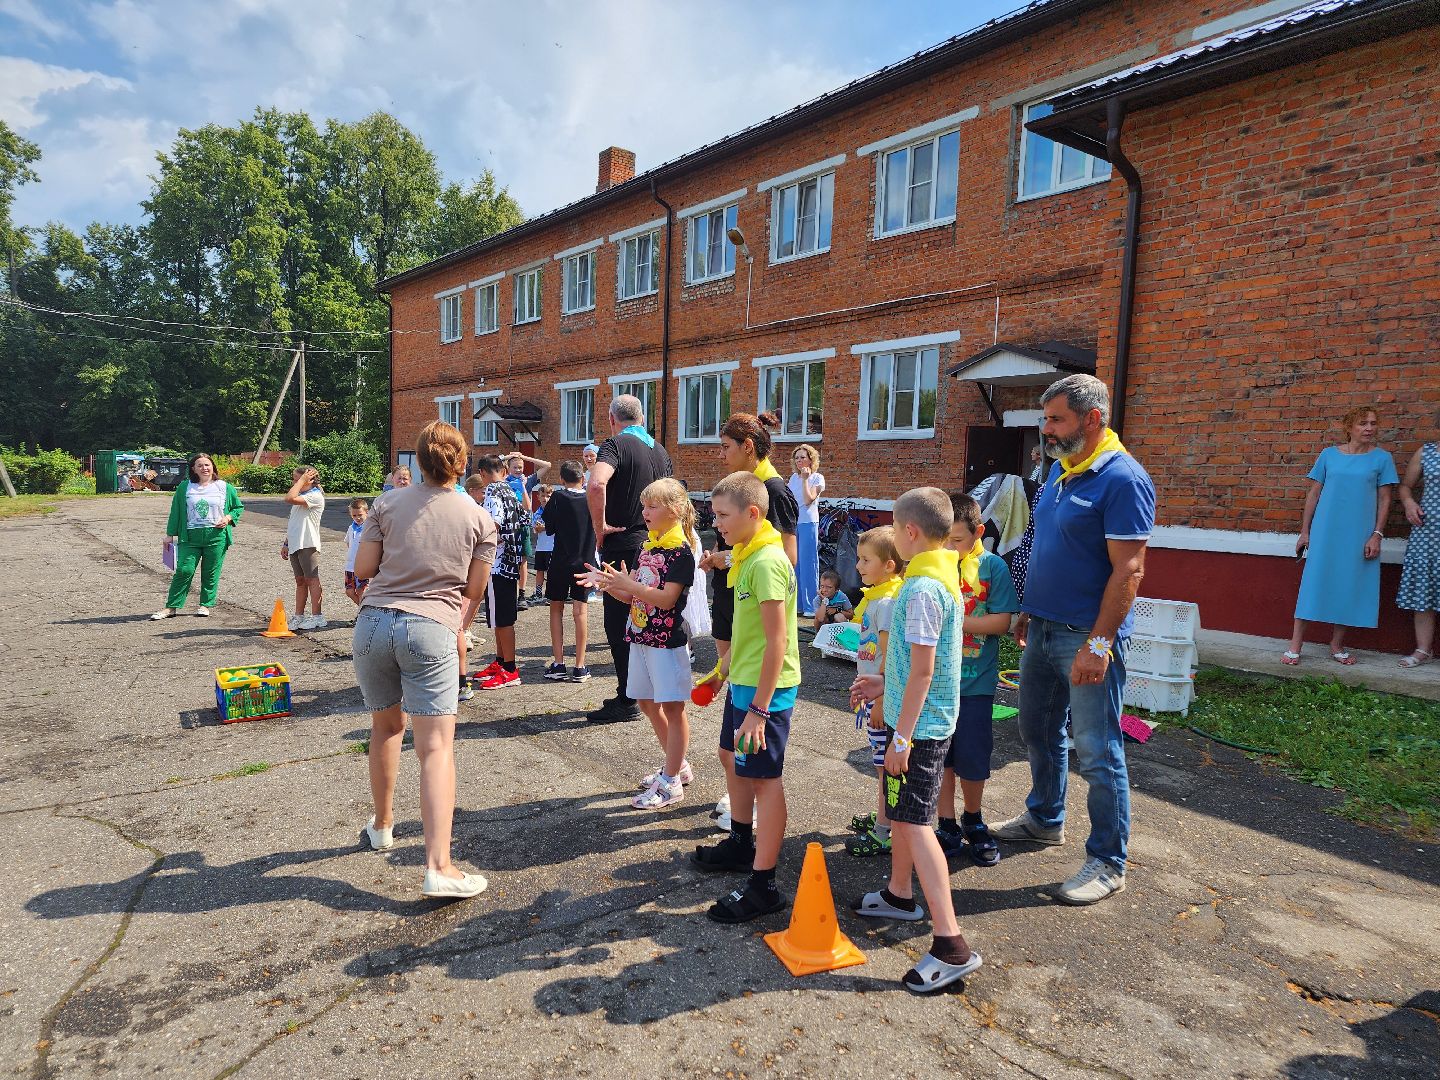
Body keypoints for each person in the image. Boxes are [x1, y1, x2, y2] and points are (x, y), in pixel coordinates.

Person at [992, 373, 1154, 907]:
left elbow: (1129, 569)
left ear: (1093, 419)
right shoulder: (1062, 471)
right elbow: (1046, 548)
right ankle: (1044, 818)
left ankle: (1109, 860)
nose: (1046, 430)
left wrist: (1101, 644)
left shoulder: (1122, 479)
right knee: (1036, 730)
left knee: (1098, 750)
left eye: (1056, 419)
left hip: (1086, 637)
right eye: (1045, 419)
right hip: (1042, 627)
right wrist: (1027, 611)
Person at [352, 420, 495, 899]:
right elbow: (474, 590)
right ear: (461, 462)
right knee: (435, 748)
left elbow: (363, 569)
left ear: (417, 461)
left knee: (386, 729)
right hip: (431, 627)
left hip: (373, 625)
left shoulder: (386, 502)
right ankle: (439, 864)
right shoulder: (479, 517)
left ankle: (383, 824)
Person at [848, 487, 982, 993]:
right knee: (903, 814)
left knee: (916, 824)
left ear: (909, 533)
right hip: (917, 718)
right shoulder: (933, 576)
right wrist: (886, 682)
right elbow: (922, 664)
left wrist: (901, 738)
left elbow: (926, 671)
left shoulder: (923, 589)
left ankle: (951, 945)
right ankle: (899, 894)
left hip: (920, 729)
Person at [691, 471, 800, 924]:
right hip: (745, 682)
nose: (715, 524)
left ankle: (764, 885)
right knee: (730, 756)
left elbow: (777, 642)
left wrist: (759, 708)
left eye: (722, 515)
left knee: (763, 780)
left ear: (753, 514)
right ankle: (740, 842)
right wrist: (720, 673)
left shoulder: (767, 562)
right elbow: (745, 632)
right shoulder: (745, 556)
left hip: (766, 693)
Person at [699, 412, 799, 828]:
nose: (720, 454)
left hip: (762, 665)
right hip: (741, 635)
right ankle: (741, 828)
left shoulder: (773, 492)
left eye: (726, 447)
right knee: (734, 751)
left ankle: (752, 829)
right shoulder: (740, 521)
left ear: (748, 448)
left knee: (757, 767)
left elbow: (788, 561)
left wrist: (723, 558)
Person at [585, 478, 698, 809]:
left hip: (667, 642)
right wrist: (608, 584)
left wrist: (628, 586)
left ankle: (671, 781)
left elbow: (665, 600)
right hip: (640, 636)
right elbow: (632, 594)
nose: (644, 512)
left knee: (674, 710)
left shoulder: (680, 553)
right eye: (644, 505)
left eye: (652, 506)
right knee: (647, 704)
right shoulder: (647, 547)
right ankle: (677, 767)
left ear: (674, 511)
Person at [936, 492, 1018, 867]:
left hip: (976, 685)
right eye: (944, 540)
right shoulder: (933, 566)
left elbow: (1002, 622)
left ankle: (973, 817)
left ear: (978, 532)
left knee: (972, 756)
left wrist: (956, 623)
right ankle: (946, 822)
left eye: (957, 540)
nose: (950, 548)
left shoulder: (993, 569)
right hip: (937, 684)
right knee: (941, 756)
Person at [1285, 406, 1398, 665]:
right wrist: (1305, 531)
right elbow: (1314, 494)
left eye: (1372, 423)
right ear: (1349, 428)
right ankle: (1295, 645)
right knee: (1313, 582)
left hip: (1359, 533)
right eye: (1363, 424)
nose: (1369, 428)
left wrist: (1377, 534)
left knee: (1350, 584)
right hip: (1325, 531)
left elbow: (1385, 498)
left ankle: (1336, 645)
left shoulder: (1382, 458)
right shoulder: (1329, 455)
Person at [586, 395, 673, 723]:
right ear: (642, 417)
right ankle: (648, 692)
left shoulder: (615, 445)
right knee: (647, 619)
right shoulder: (660, 451)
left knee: (618, 621)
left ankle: (628, 698)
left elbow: (596, 484)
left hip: (622, 545)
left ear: (612, 418)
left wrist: (600, 526)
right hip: (654, 545)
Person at [842, 526, 905, 857]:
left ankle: (885, 829)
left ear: (889, 566)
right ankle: (886, 818)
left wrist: (880, 699)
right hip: (874, 696)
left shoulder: (887, 603)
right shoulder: (877, 598)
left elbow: (890, 655)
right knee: (881, 763)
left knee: (885, 767)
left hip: (884, 700)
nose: (858, 566)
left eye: (866, 560)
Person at [151, 452, 244, 619]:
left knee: (210, 572)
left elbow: (238, 507)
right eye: (199, 465)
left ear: (213, 467)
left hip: (216, 536)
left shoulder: (224, 487)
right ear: (193, 469)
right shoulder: (184, 487)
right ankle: (171, 607)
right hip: (189, 537)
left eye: (207, 464)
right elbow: (176, 512)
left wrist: (228, 518)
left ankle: (205, 605)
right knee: (184, 570)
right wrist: (170, 534)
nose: (204, 468)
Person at [467, 456, 527, 690]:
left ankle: (510, 669)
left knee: (502, 619)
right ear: (502, 469)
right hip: (511, 560)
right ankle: (501, 662)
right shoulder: (510, 489)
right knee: (499, 617)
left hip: (498, 562)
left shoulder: (492, 491)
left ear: (482, 472)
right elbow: (524, 517)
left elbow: (494, 525)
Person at [540, 461, 595, 683]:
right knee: (580, 613)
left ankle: (559, 663)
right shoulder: (592, 497)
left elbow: (549, 528)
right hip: (585, 564)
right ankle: (580, 666)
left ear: (562, 480)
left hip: (560, 561)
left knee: (556, 610)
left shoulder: (558, 498)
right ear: (583, 478)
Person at [1397, 415, 1439, 667]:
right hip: (1428, 533)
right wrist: (1409, 502)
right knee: (1424, 591)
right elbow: (1405, 486)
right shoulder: (1427, 452)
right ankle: (1423, 649)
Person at [281, 466, 326, 630]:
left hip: (308, 543)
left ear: (309, 480)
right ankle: (299, 616)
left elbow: (289, 498)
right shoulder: (301, 495)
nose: (294, 482)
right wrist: (286, 543)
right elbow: (294, 522)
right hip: (295, 543)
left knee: (312, 579)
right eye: (294, 479)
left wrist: (301, 481)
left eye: (297, 479)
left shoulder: (315, 496)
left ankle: (317, 617)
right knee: (300, 581)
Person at [789, 444, 824, 617]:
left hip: (808, 523)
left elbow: (808, 499)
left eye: (803, 457)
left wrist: (805, 479)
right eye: (797, 458)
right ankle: (798, 604)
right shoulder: (792, 478)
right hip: (794, 523)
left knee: (809, 563)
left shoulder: (817, 478)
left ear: (811, 459)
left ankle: (811, 606)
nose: (800, 460)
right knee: (796, 563)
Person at [529, 484, 554, 606]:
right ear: (538, 497)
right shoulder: (537, 512)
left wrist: (543, 527)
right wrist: (542, 528)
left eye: (548, 496)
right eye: (543, 496)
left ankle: (550, 593)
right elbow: (535, 528)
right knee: (539, 570)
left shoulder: (555, 511)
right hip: (541, 547)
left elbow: (555, 527)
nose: (545, 498)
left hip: (552, 546)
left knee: (551, 571)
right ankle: (538, 593)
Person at [344, 498, 370, 608]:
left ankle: (361, 614)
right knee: (349, 591)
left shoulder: (369, 528)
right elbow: (348, 543)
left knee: (361, 591)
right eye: (354, 516)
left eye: (360, 515)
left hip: (362, 565)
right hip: (350, 566)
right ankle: (363, 610)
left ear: (366, 513)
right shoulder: (351, 528)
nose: (357, 518)